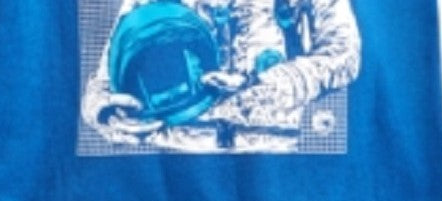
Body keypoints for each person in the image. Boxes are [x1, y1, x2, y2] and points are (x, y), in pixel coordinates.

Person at [82, 0, 362, 153]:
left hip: (272, 150)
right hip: (175, 153)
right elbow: (112, 68)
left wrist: (262, 84)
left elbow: (344, 55)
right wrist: (107, 110)